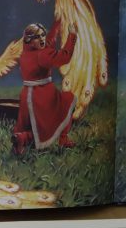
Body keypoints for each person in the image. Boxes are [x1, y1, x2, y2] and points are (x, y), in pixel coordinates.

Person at [12, 21, 77, 155]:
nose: (42, 39)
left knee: (28, 125)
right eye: (37, 37)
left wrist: (57, 26)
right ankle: (62, 138)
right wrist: (72, 36)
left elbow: (47, 43)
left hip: (26, 95)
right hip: (42, 95)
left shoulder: (26, 53)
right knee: (67, 101)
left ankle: (20, 138)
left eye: (43, 35)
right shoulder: (42, 55)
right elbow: (64, 57)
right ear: (29, 40)